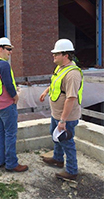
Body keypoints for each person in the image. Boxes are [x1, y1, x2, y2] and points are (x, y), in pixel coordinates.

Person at [39, 39, 83, 180]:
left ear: (66, 55)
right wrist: (46, 91)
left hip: (67, 117)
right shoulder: (60, 69)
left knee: (67, 142)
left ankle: (71, 171)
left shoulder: (72, 74)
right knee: (54, 134)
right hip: (57, 114)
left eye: (56, 53)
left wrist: (63, 120)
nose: (53, 56)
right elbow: (55, 83)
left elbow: (71, 98)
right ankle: (57, 159)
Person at [0, 37, 28, 172]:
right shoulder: (3, 65)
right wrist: (15, 96)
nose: (10, 52)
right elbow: (8, 84)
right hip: (6, 104)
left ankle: (0, 161)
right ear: (0, 49)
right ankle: (11, 163)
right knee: (10, 134)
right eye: (8, 49)